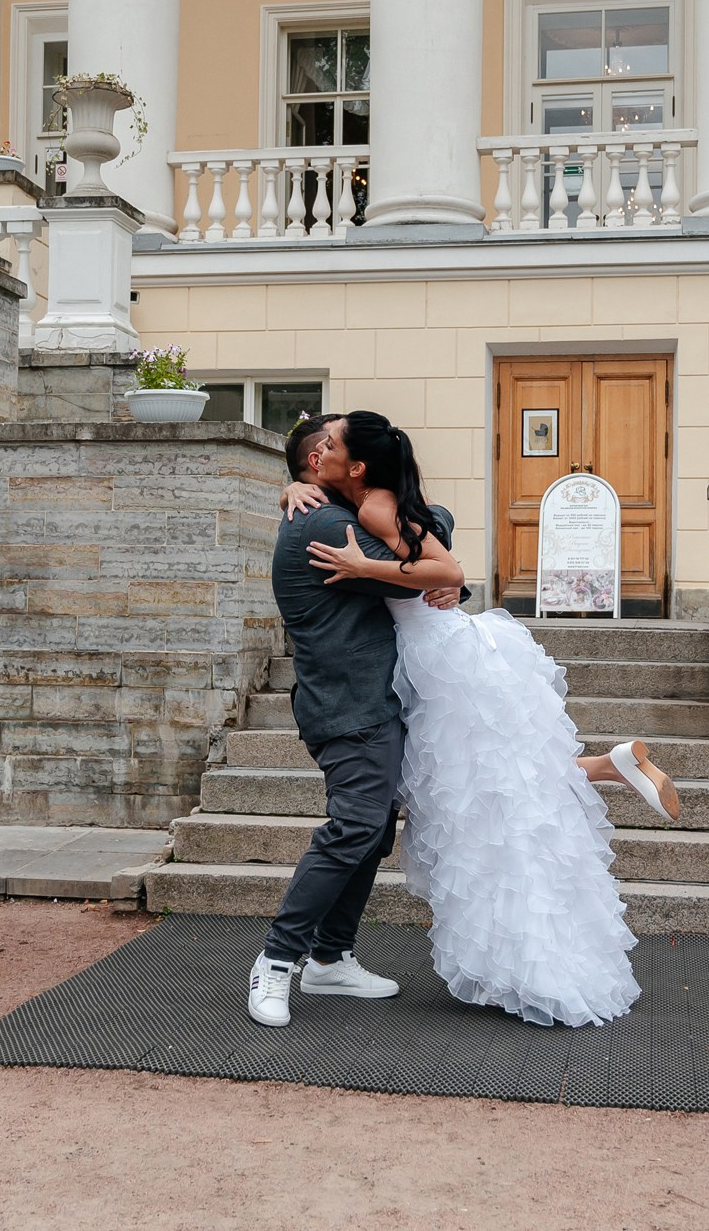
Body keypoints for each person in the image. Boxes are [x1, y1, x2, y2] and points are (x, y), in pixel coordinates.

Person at [282, 411, 679, 1028]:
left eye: (331, 445)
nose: (320, 454)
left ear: (354, 465)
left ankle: (526, 947)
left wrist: (368, 569)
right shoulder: (383, 498)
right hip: (457, 647)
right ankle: (604, 765)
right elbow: (430, 534)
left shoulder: (368, 512)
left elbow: (448, 572)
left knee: (473, 796)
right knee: (498, 776)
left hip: (439, 658)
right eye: (319, 446)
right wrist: (290, 487)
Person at [248, 414, 468, 1029]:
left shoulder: (336, 513)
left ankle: (330, 956)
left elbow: (428, 547)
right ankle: (276, 960)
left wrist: (430, 565)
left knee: (373, 830)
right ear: (315, 462)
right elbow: (432, 543)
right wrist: (431, 565)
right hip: (347, 705)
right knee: (354, 827)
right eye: (328, 444)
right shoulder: (322, 522)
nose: (335, 452)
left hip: (373, 702)